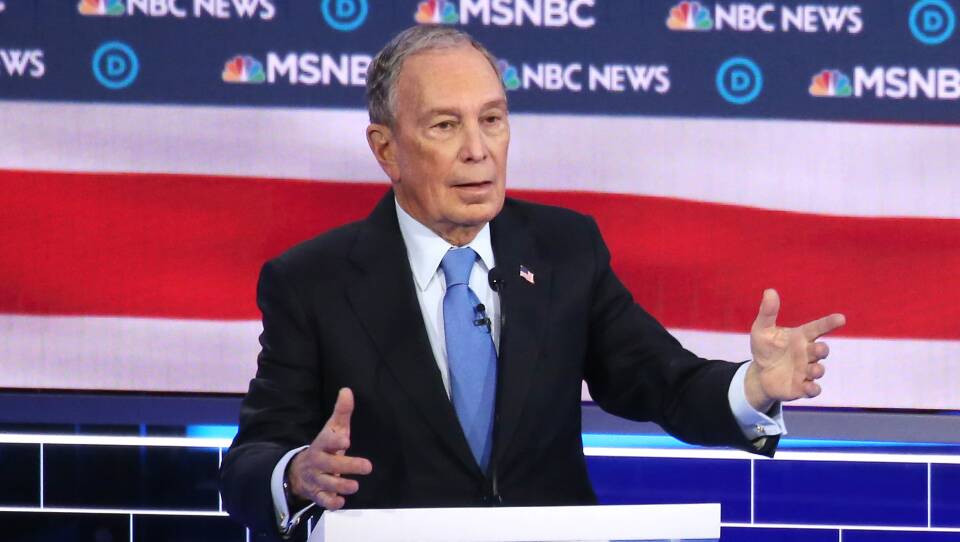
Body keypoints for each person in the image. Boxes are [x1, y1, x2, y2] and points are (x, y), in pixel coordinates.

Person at [219, 25, 845, 541]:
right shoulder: (313, 282)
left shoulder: (564, 250)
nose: (478, 150)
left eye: (492, 119)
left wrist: (753, 386)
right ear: (386, 150)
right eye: (445, 126)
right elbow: (248, 462)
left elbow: (660, 381)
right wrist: (296, 473)